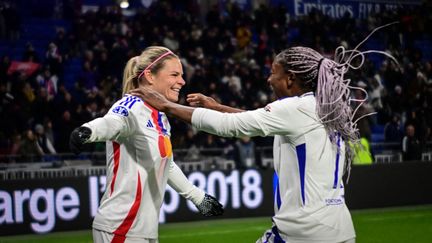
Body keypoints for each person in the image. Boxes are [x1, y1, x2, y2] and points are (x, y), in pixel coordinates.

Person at [130, 28, 398, 242]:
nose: (269, 80)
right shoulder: (321, 107)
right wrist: (218, 107)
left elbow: (233, 127)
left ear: (290, 79)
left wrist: (166, 105)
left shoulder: (295, 108)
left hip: (304, 232)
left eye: (274, 73)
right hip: (339, 228)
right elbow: (262, 120)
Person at [69, 46, 223, 243]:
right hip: (121, 227)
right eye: (174, 74)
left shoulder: (160, 116)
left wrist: (198, 197)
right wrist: (88, 131)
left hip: (142, 230)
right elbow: (112, 122)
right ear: (150, 76)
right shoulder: (131, 106)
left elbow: (166, 163)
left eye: (181, 75)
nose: (182, 82)